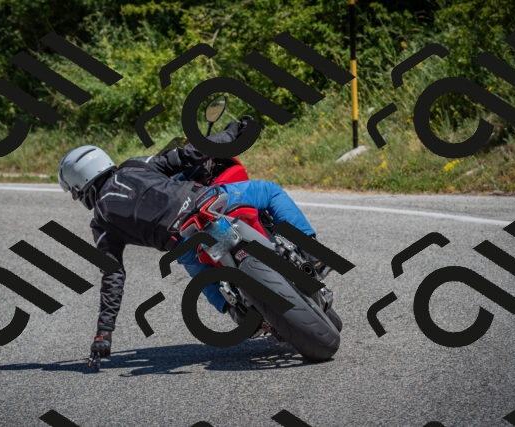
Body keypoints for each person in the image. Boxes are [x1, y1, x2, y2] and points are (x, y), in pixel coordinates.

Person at [57, 120, 327, 359]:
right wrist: (233, 131)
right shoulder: (135, 166)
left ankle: (238, 313)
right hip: (207, 204)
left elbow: (112, 277)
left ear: (80, 186)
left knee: (199, 272)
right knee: (269, 190)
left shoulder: (101, 222)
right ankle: (311, 252)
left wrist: (104, 333)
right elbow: (188, 154)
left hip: (183, 240)